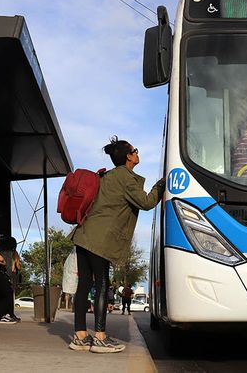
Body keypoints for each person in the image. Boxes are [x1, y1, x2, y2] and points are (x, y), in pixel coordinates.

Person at [67, 136, 164, 353]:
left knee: (83, 286)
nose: (137, 153)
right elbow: (147, 202)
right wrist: (161, 184)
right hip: (100, 239)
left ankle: (80, 336)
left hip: (84, 234)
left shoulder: (107, 175)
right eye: (135, 150)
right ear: (129, 157)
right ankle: (100, 338)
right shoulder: (124, 177)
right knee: (102, 283)